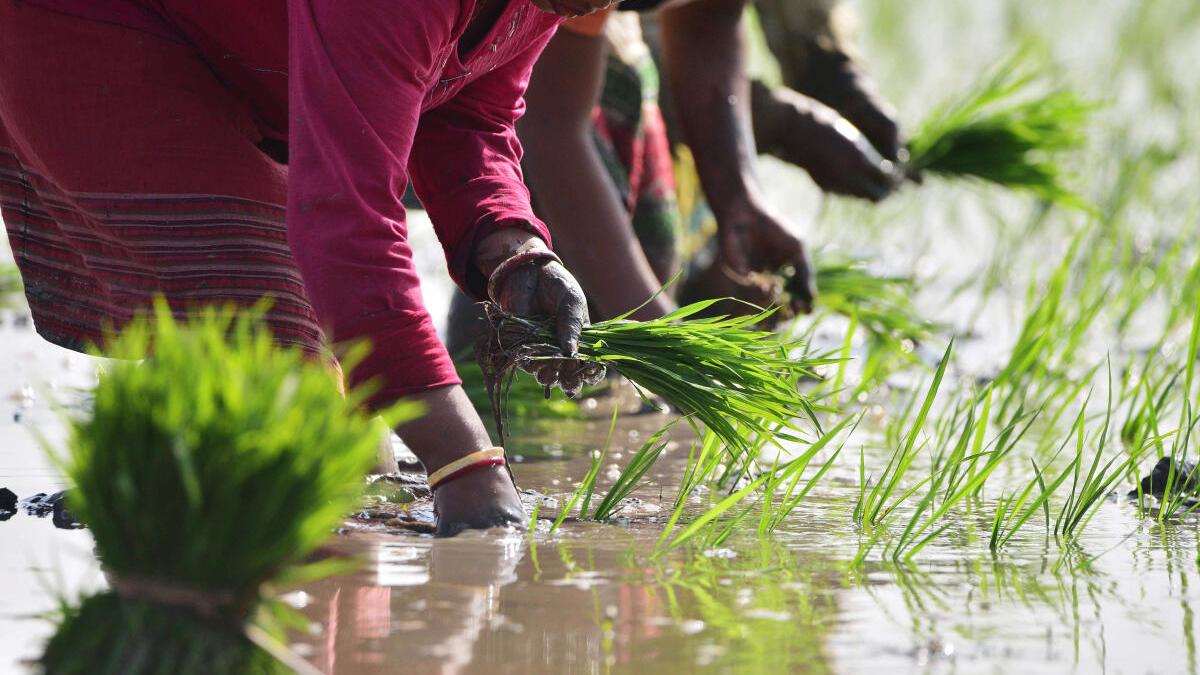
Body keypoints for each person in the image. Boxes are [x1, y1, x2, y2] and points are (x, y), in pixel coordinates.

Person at [0, 0, 615, 536]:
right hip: (105, 30)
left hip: (232, 52)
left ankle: (166, 485)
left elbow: (467, 114)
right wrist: (467, 464)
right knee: (294, 427)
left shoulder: (537, 2)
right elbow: (345, 221)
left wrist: (514, 254)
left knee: (350, 462)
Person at [500, 0, 906, 330]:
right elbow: (553, 126)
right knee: (609, 103)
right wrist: (665, 339)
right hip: (466, 52)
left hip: (565, 40)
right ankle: (500, 363)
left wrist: (738, 196)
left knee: (655, 252)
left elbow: (707, 16)